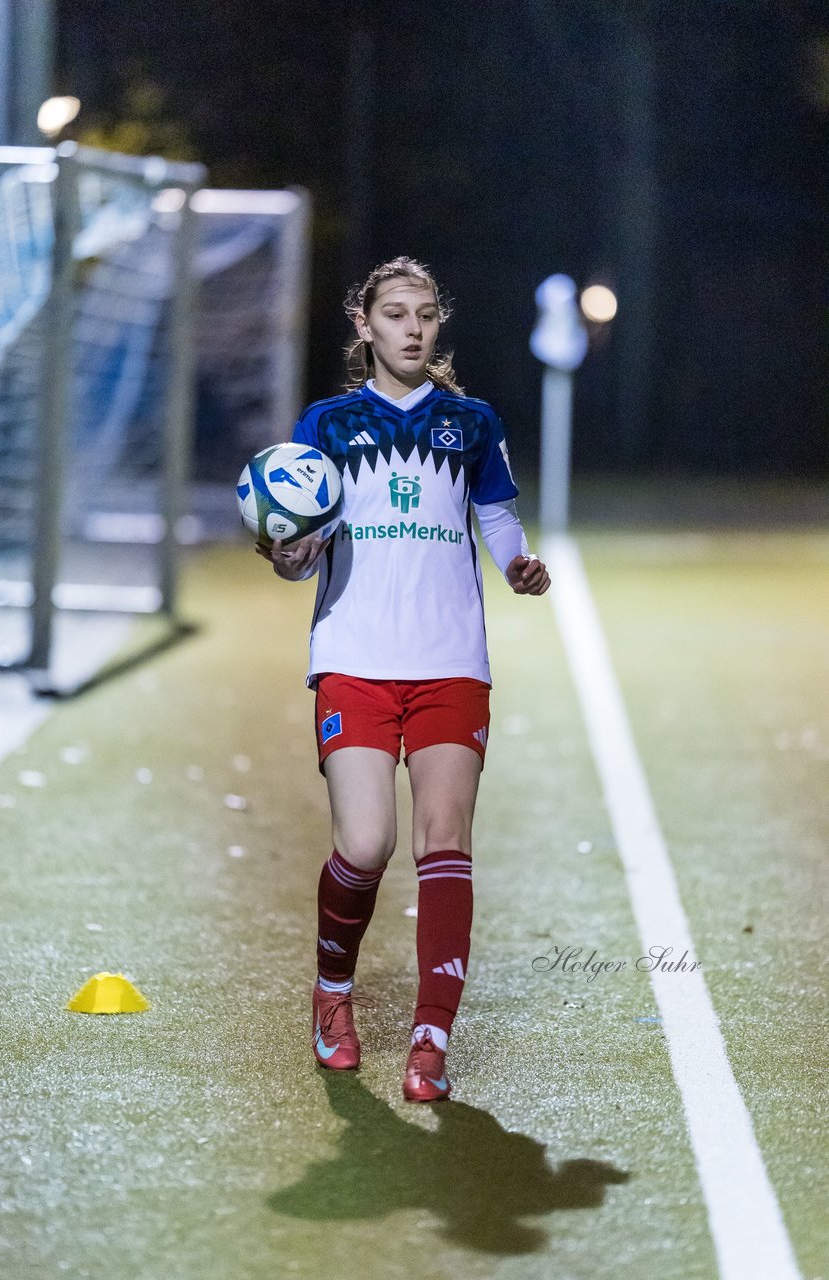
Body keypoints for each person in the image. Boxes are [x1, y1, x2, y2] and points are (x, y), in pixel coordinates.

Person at [257, 256, 550, 1101]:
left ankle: (430, 1042)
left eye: (425, 313)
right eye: (395, 313)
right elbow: (294, 547)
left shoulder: (471, 422)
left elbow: (496, 514)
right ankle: (333, 994)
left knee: (443, 842)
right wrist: (290, 553)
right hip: (352, 657)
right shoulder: (326, 422)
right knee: (365, 845)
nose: (413, 328)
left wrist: (518, 565)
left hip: (450, 662)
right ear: (364, 325)